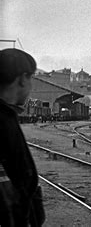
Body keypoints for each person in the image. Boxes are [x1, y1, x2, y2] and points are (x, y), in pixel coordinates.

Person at [0, 48, 45, 226]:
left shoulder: (6, 116)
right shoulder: (4, 120)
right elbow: (19, 182)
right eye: (31, 78)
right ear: (22, 79)